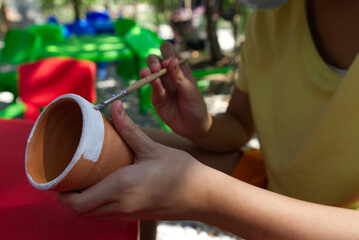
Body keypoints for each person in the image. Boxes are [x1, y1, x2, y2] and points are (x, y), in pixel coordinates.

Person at [58, 0, 359, 239]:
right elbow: (239, 125)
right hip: (275, 186)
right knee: (125, 148)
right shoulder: (271, 18)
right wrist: (200, 126)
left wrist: (206, 198)